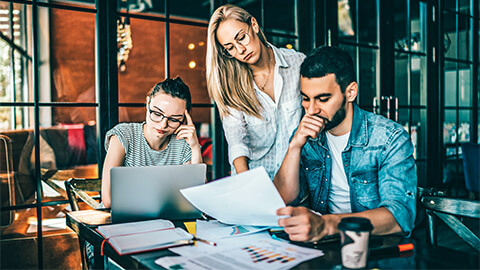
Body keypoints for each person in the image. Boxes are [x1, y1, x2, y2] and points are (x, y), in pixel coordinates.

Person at [274, 46, 417, 242]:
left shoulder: (389, 138)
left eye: (323, 99)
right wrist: (295, 146)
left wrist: (327, 224)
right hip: (325, 245)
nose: (311, 110)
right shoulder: (305, 135)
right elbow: (282, 200)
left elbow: (399, 218)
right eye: (306, 99)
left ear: (350, 92)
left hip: (375, 247)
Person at [206, 4, 305, 179]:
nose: (240, 50)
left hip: (299, 183)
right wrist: (247, 184)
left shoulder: (298, 64)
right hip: (257, 181)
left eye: (241, 37)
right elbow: (236, 139)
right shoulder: (232, 86)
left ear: (254, 25)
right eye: (230, 47)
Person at [101, 77, 202, 208]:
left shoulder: (184, 144)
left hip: (167, 220)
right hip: (123, 222)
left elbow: (196, 197)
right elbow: (108, 200)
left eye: (174, 119)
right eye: (157, 113)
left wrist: (195, 147)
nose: (163, 124)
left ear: (184, 118)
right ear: (147, 102)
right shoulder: (123, 135)